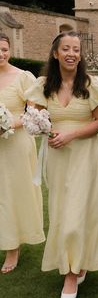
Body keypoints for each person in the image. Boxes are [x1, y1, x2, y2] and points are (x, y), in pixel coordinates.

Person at [26, 31, 98, 298]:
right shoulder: (43, 85)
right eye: (66, 48)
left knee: (80, 210)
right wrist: (45, 129)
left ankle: (71, 273)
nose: (72, 53)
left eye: (76, 49)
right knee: (62, 211)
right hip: (57, 157)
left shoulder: (92, 83)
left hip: (85, 155)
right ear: (55, 53)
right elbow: (32, 116)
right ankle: (79, 260)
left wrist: (71, 135)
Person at [0, 32, 44, 273]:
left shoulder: (23, 77)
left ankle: (12, 247)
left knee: (12, 193)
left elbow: (32, 112)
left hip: (16, 143)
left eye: (4, 49)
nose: (1, 53)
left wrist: (5, 124)